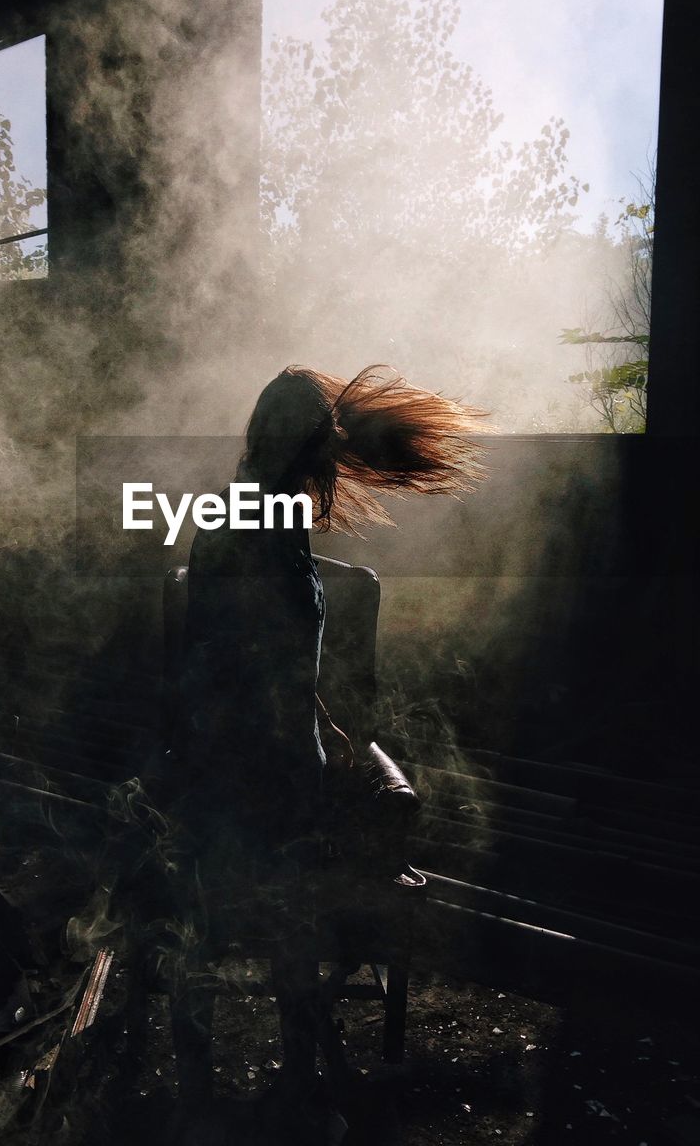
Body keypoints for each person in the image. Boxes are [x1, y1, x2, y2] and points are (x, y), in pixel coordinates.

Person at [163, 364, 486, 1137]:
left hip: (273, 764)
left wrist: (329, 732)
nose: (334, 459)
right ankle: (294, 1086)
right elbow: (232, 666)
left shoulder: (272, 518)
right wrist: (282, 763)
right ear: (305, 444)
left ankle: (298, 1075)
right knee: (294, 923)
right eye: (325, 444)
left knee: (298, 923)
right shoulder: (247, 525)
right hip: (257, 777)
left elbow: (272, 658)